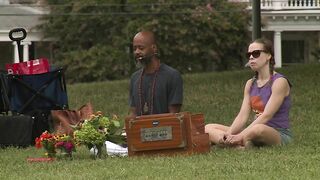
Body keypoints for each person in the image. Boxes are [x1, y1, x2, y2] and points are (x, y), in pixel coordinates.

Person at [205, 38, 292, 148]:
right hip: (251, 131)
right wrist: (230, 135)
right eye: (249, 54)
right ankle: (234, 144)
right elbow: (242, 116)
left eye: (256, 53)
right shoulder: (250, 84)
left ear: (268, 56)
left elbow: (266, 116)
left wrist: (240, 135)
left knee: (258, 129)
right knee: (208, 127)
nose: (251, 57)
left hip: (277, 133)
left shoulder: (279, 82)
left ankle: (234, 143)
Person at [128, 31, 183, 118]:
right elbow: (134, 113)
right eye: (134, 49)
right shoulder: (134, 78)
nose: (137, 52)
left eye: (141, 48)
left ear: (154, 48)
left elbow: (174, 115)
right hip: (140, 129)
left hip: (165, 129)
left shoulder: (172, 75)